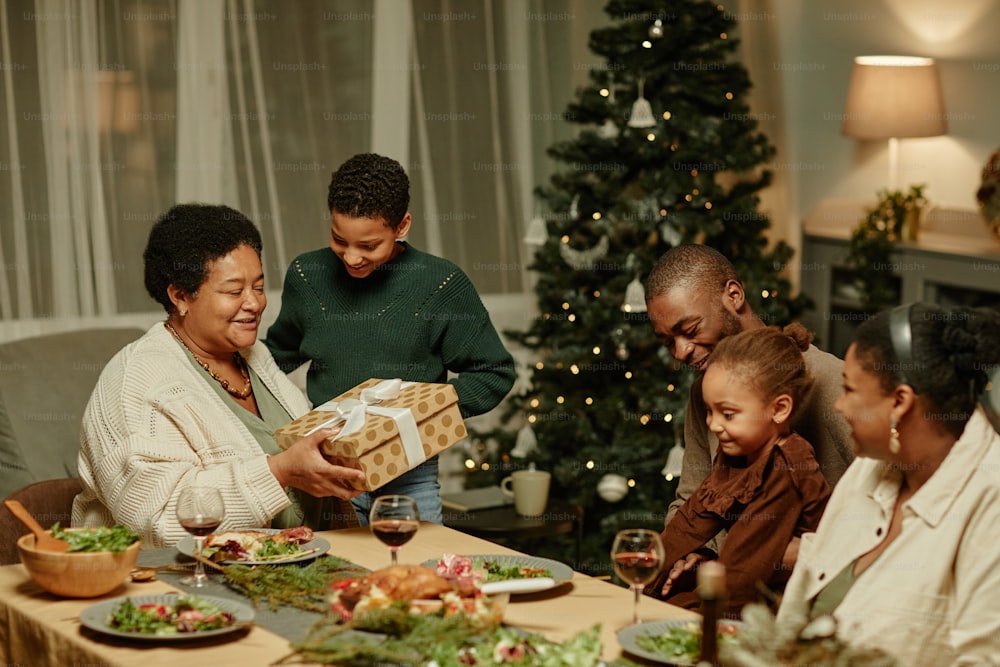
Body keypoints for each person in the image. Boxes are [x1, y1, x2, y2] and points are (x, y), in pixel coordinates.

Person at [73, 204, 366, 547]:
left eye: (258, 286)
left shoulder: (254, 356)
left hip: (299, 566)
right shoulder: (134, 381)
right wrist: (279, 471)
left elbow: (304, 448)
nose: (254, 303)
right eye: (233, 291)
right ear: (181, 296)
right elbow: (163, 523)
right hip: (175, 584)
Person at [264, 153, 516, 524]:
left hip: (409, 474)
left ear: (402, 226)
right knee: (337, 575)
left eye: (368, 246)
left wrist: (425, 413)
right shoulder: (308, 275)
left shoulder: (440, 284)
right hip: (328, 469)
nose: (351, 257)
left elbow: (494, 371)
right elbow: (272, 359)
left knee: (416, 573)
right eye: (339, 239)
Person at [777, 303, 1000, 664]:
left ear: (900, 402)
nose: (839, 405)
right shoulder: (872, 462)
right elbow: (808, 581)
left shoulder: (990, 500)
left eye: (849, 389)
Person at [645, 244, 853, 584]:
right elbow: (690, 500)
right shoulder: (705, 393)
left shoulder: (830, 383)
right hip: (727, 586)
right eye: (668, 342)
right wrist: (703, 553)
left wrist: (805, 551)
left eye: (691, 329)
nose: (681, 352)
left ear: (734, 295)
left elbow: (893, 506)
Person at [646, 323, 831, 616]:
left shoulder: (785, 465)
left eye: (728, 414)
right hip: (742, 586)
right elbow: (691, 521)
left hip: (783, 608)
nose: (713, 425)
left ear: (779, 409)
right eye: (709, 410)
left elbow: (740, 580)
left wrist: (661, 612)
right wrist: (646, 580)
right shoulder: (738, 448)